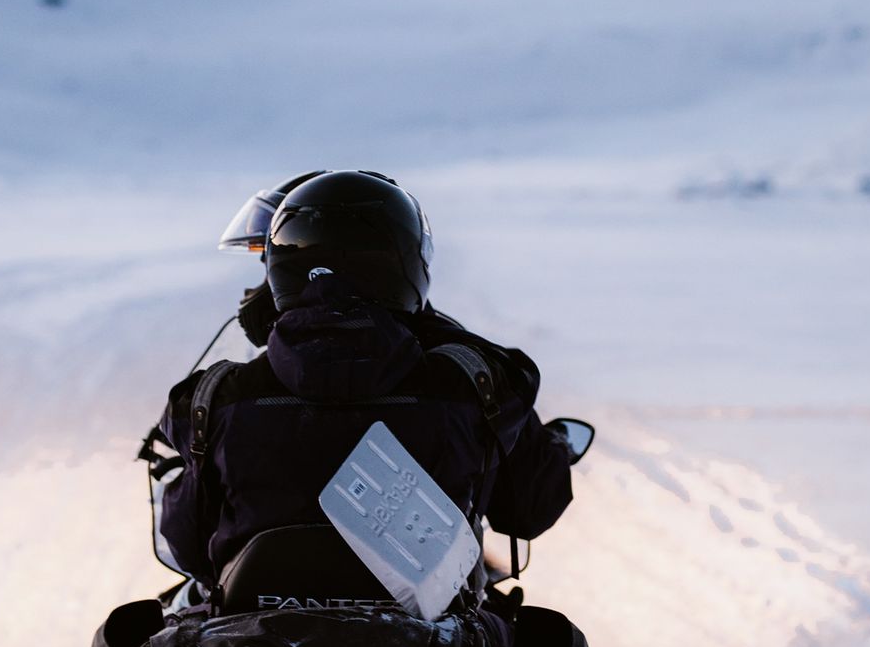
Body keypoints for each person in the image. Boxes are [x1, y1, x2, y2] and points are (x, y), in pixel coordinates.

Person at [157, 168, 576, 594]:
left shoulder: (217, 399)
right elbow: (532, 508)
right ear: (407, 263)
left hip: (252, 644)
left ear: (280, 273)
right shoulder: (474, 388)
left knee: (131, 643)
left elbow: (188, 547)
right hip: (434, 644)